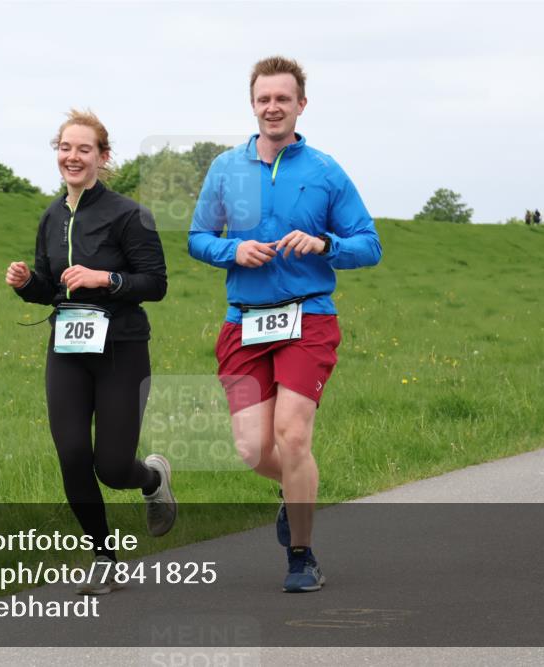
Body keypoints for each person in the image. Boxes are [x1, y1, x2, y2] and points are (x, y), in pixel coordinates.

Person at [188, 56, 382, 592]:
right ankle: (296, 491)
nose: (273, 107)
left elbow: (370, 245)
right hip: (244, 321)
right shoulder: (226, 168)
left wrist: (325, 243)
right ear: (253, 105)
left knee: (292, 436)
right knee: (253, 450)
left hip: (308, 316)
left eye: (283, 98)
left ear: (300, 104)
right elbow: (198, 238)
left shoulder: (324, 171)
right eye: (263, 99)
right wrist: (233, 248)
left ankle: (302, 556)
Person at [7, 109, 176, 595]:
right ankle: (104, 556)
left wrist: (106, 278)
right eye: (65, 147)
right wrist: (26, 284)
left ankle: (150, 479)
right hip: (67, 348)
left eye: (84, 149)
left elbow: (156, 284)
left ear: (103, 157)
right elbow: (49, 288)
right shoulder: (51, 215)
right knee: (73, 455)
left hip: (121, 348)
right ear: (56, 153)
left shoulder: (129, 214)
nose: (72, 156)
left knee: (112, 466)